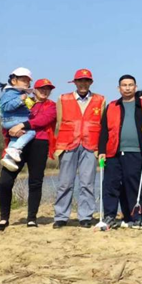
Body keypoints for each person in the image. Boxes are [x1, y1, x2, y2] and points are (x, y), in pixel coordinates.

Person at [0, 78, 57, 230]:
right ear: (33, 89)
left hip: (40, 143)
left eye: (48, 89)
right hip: (17, 143)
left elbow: (44, 120)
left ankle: (31, 218)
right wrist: (12, 130)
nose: (45, 91)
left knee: (35, 181)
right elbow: (7, 116)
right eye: (41, 88)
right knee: (5, 181)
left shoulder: (52, 106)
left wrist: (23, 125)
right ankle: (3, 218)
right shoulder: (22, 101)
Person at [53, 69, 106, 228]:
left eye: (86, 80)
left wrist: (101, 148)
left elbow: (102, 124)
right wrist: (58, 146)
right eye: (80, 80)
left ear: (91, 82)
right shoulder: (63, 98)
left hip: (91, 145)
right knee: (65, 182)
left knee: (87, 183)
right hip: (68, 144)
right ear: (75, 82)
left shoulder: (100, 99)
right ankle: (61, 216)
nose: (83, 84)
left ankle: (85, 216)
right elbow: (58, 122)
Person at [97, 75, 142, 229]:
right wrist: (102, 150)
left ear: (135, 87)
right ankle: (110, 216)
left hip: (137, 151)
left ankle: (138, 217)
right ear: (118, 88)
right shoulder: (112, 106)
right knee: (111, 185)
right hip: (113, 152)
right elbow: (104, 130)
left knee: (135, 186)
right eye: (124, 85)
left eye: (130, 85)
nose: (127, 88)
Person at [0, 68, 36, 171]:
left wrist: (30, 102)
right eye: (23, 80)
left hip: (14, 120)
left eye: (28, 81)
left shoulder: (20, 93)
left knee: (15, 139)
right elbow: (5, 107)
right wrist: (20, 100)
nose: (26, 83)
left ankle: (8, 158)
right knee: (31, 132)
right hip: (14, 120)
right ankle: (15, 149)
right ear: (14, 81)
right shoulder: (10, 93)